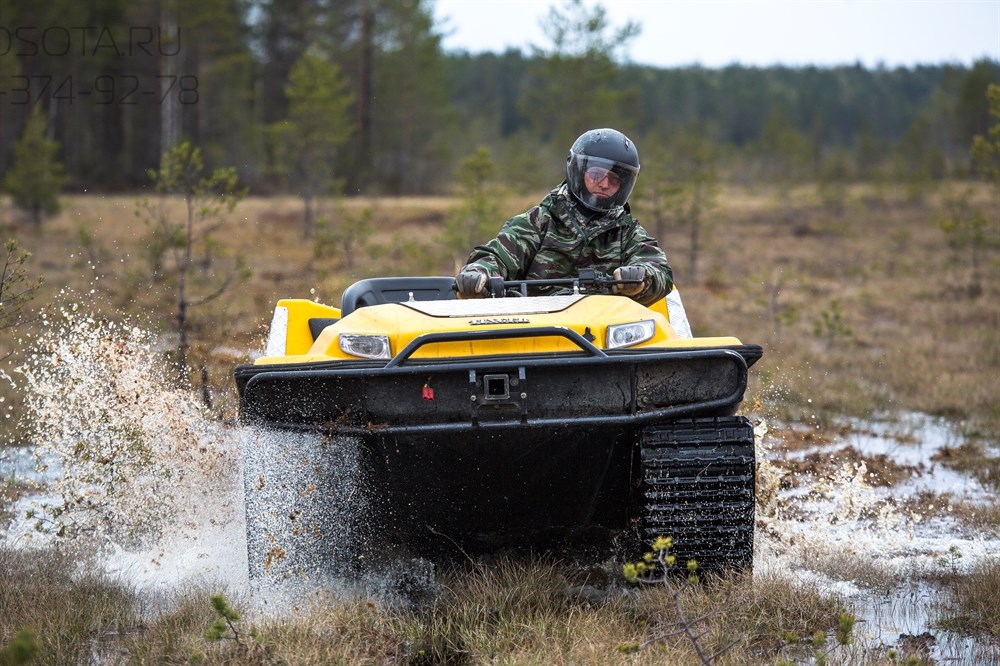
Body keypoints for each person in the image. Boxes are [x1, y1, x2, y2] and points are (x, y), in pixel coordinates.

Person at [454, 128, 673, 306]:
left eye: (614, 179)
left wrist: (641, 278)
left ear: (624, 186)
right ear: (578, 171)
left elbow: (658, 270)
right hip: (537, 329)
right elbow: (498, 255)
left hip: (604, 338)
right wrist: (479, 272)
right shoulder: (539, 221)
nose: (604, 184)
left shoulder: (628, 233)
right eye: (596, 175)